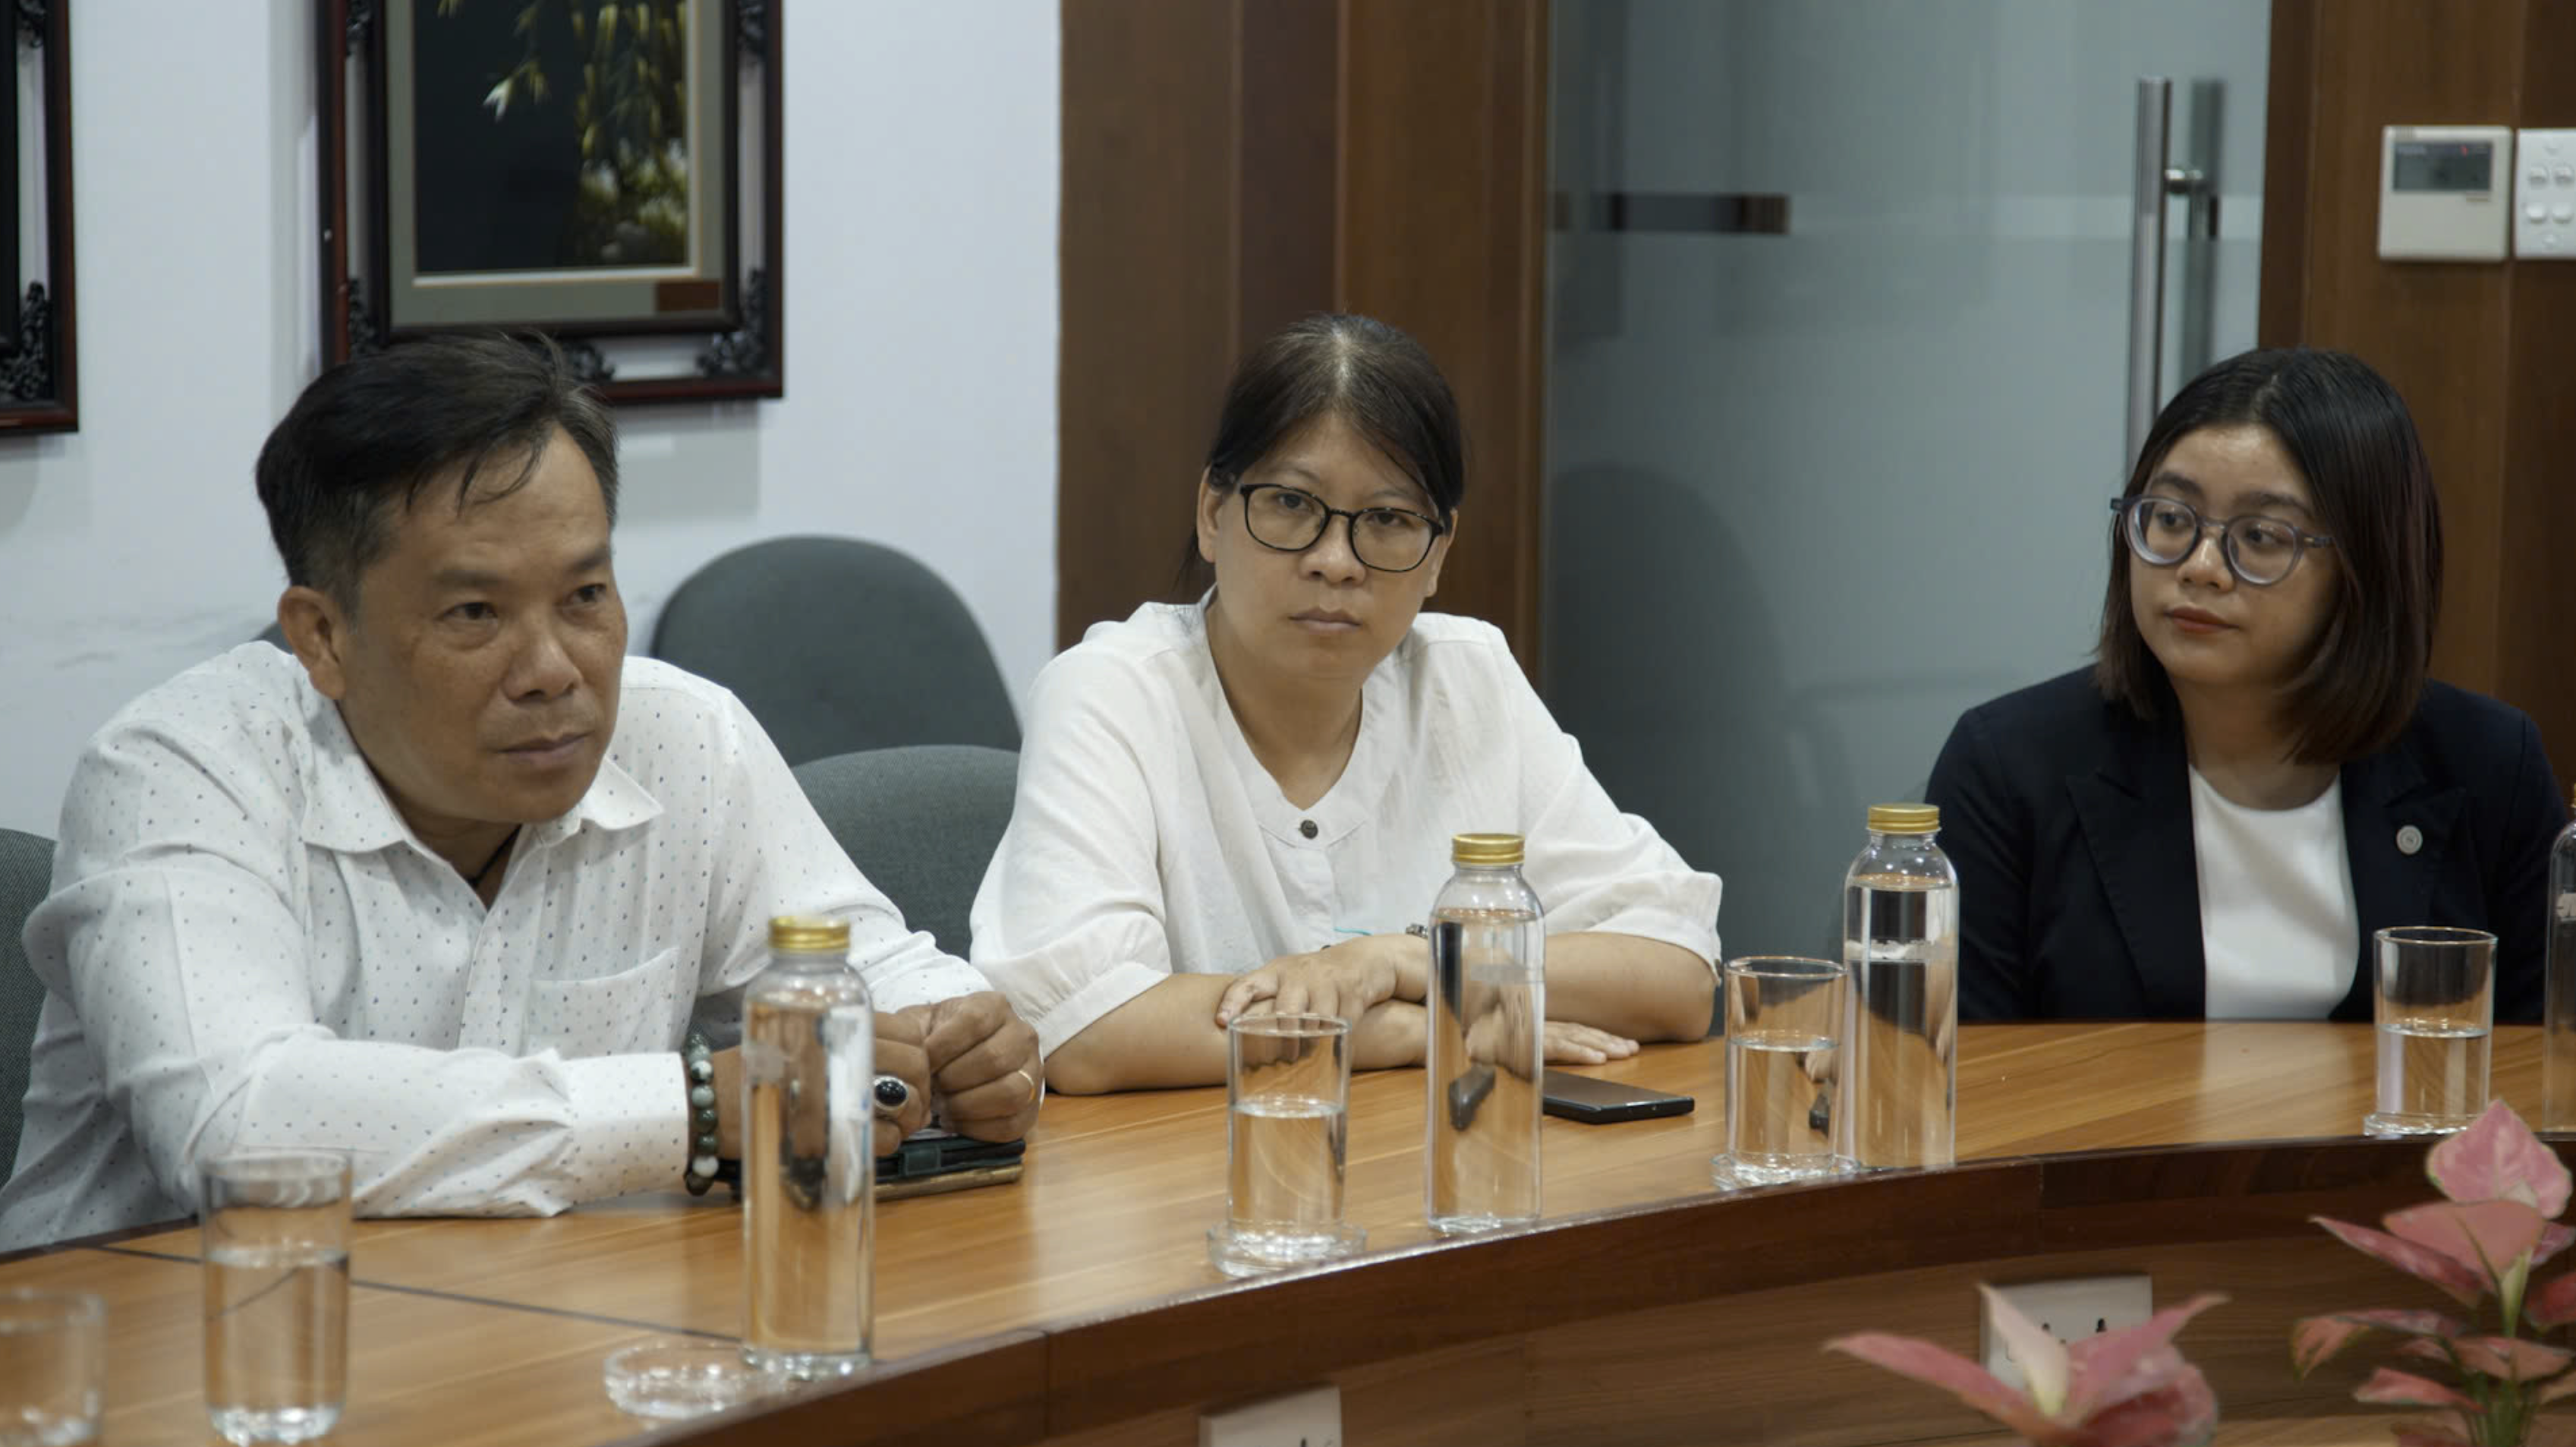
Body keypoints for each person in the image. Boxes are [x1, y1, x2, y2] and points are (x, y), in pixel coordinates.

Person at [0, 337, 1042, 1250]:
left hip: (538, 1337)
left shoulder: (683, 738)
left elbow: (872, 971)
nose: (553, 666)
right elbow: (237, 1124)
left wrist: (961, 1045)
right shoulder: (177, 773)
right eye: (473, 612)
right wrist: (692, 1109)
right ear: (323, 635)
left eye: (586, 595)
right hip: (164, 1364)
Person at [971, 314, 1721, 1093]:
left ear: (1437, 557)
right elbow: (1090, 1030)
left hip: (1426, 1178)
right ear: (1211, 513)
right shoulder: (1113, 691)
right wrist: (1422, 1025)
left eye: (1390, 521)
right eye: (1292, 505)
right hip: (1189, 1190)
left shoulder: (1470, 680)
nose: (1336, 562)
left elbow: (1676, 973)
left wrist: (1404, 961)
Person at [1927, 347, 2563, 1023]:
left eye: (2259, 536)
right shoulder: (2010, 766)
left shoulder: (2489, 765)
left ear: (2364, 567)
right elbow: (1952, 1074)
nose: (2201, 567)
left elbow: (2548, 1063)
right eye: (2171, 519)